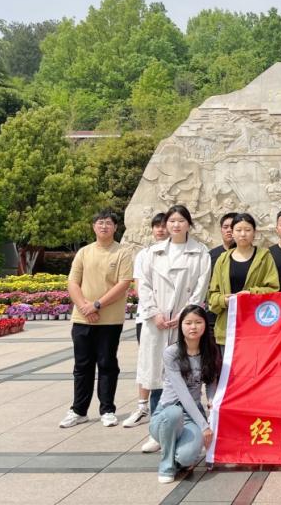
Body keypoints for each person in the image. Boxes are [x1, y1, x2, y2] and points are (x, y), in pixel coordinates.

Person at [130, 205, 212, 451]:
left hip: (185, 321)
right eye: (172, 221)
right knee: (157, 377)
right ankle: (158, 431)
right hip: (157, 322)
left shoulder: (200, 253)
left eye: (181, 220)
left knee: (184, 375)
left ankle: (186, 427)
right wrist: (154, 312)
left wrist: (185, 315)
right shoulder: (151, 253)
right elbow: (144, 285)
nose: (176, 225)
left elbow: (201, 287)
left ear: (189, 224)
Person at [60, 210, 134, 429]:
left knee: (107, 364)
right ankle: (78, 410)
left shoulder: (123, 253)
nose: (104, 226)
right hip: (82, 319)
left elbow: (123, 284)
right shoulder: (84, 252)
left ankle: (107, 410)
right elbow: (73, 283)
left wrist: (97, 305)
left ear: (115, 228)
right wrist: (85, 307)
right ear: (94, 227)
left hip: (109, 320)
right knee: (82, 366)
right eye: (100, 223)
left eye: (108, 223)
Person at [149, 305, 217, 484]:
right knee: (175, 413)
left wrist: (212, 400)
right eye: (188, 323)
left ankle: (177, 455)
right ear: (180, 326)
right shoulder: (171, 353)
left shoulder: (211, 351)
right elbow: (183, 394)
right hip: (166, 415)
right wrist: (204, 426)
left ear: (205, 325)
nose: (193, 327)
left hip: (191, 416)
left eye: (198, 322)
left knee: (187, 458)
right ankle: (166, 465)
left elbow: (211, 382)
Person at [207, 213, 280, 349]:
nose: (243, 234)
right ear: (232, 233)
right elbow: (212, 296)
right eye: (238, 230)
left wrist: (250, 294)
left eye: (247, 230)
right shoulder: (222, 259)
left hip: (256, 324)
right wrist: (224, 300)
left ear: (254, 232)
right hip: (228, 327)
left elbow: (273, 289)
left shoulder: (264, 257)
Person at [122, 212, 167, 431]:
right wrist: (154, 311)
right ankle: (142, 407)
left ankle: (166, 406)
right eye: (157, 226)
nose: (160, 229)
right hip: (148, 317)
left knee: (170, 363)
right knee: (147, 361)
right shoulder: (144, 254)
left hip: (172, 318)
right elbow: (139, 286)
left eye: (164, 225)